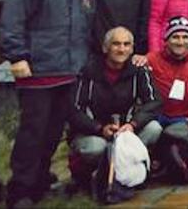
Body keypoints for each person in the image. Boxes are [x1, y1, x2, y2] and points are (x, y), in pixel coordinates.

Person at [0, 0, 97, 209]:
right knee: (33, 132)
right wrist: (17, 57)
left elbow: (87, 27)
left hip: (70, 73)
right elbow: (12, 21)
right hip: (37, 72)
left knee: (53, 132)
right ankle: (20, 191)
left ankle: (40, 181)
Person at [67, 27, 162, 191]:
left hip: (126, 133)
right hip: (95, 133)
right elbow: (74, 110)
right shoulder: (88, 71)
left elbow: (154, 102)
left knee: (155, 128)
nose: (122, 49)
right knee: (97, 148)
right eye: (116, 44)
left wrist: (133, 124)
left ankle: (126, 171)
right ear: (105, 48)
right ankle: (95, 173)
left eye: (126, 44)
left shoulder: (138, 70)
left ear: (132, 49)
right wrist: (99, 128)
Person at [147, 17, 188, 182]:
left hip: (183, 117)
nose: (180, 42)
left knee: (178, 134)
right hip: (157, 116)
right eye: (175, 37)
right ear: (167, 40)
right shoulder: (152, 60)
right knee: (152, 129)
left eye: (185, 38)